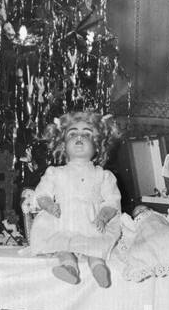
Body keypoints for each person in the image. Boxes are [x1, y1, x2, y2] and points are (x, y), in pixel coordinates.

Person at [21, 111, 123, 286]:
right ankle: (70, 269)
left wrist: (104, 216)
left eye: (87, 134)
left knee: (95, 247)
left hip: (91, 224)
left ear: (97, 146)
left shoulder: (103, 175)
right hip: (62, 224)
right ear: (63, 144)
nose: (79, 137)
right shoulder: (55, 173)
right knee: (62, 248)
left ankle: (99, 268)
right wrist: (49, 206)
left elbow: (112, 200)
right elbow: (41, 194)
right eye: (73, 133)